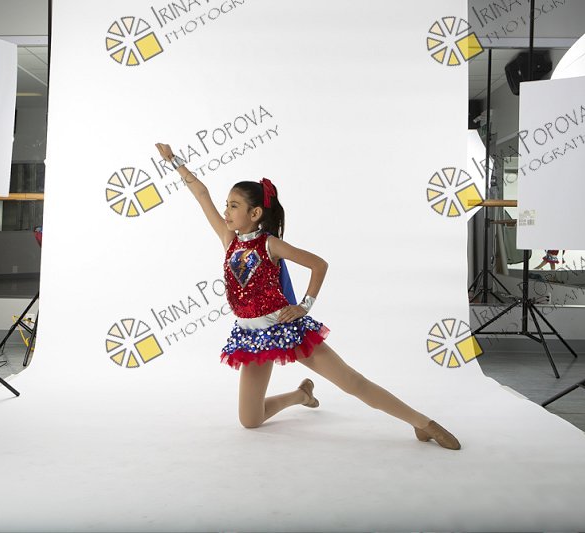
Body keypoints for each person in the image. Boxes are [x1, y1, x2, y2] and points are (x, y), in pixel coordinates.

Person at [155, 143, 461, 450]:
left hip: (286, 330)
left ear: (255, 213)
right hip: (252, 337)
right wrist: (174, 161)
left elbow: (319, 264)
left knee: (352, 382)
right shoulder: (229, 240)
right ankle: (301, 395)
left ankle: (423, 423)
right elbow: (201, 194)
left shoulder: (270, 245)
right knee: (250, 420)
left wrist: (304, 306)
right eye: (227, 205)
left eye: (233, 206)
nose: (226, 211)